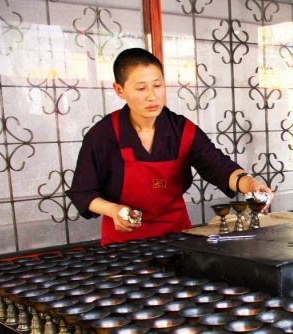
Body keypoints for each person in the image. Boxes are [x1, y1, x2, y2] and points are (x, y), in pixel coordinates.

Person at [68, 48, 274, 245]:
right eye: (141, 88)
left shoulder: (182, 130)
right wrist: (113, 210)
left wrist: (251, 185)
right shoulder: (103, 135)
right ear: (119, 90)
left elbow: (218, 167)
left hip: (177, 237)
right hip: (123, 244)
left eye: (158, 85)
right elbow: (83, 192)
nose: (152, 95)